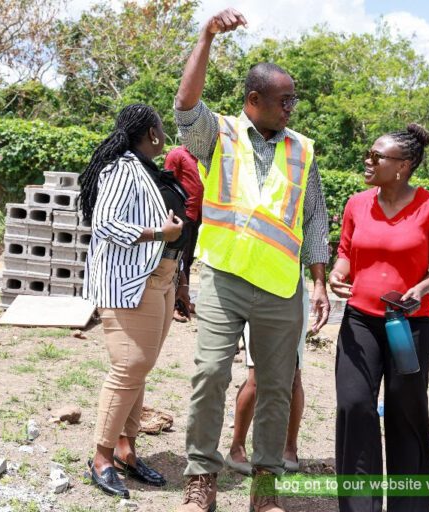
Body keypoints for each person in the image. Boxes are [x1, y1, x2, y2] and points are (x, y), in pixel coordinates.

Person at [173, 7, 331, 512]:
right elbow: (183, 106)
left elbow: (314, 217)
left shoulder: (303, 150)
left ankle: (265, 489)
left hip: (281, 286)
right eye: (284, 100)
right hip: (224, 278)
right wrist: (206, 38)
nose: (292, 108)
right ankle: (201, 478)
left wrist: (320, 282)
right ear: (253, 100)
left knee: (277, 387)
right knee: (211, 373)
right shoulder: (216, 134)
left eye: (294, 100)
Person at [329, 124, 429, 512]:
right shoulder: (356, 203)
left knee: (405, 415)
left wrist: (420, 289)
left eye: (376, 156)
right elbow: (347, 251)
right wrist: (338, 273)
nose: (368, 161)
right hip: (359, 322)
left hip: (410, 327)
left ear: (402, 166)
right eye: (369, 154)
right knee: (355, 407)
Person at [79, 104, 189, 498]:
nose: (164, 134)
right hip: (131, 281)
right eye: (160, 128)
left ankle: (127, 449)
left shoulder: (147, 169)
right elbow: (106, 223)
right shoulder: (122, 168)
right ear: (152, 133)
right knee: (129, 366)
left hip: (161, 278)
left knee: (141, 368)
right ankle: (101, 457)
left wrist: (180, 280)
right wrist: (157, 234)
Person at [226, 272, 309, 476]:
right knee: (256, 376)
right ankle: (237, 448)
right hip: (252, 286)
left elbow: (314, 245)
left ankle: (290, 448)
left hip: (291, 290)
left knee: (293, 375)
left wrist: (320, 283)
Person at [164, 145, 203, 322]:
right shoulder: (177, 154)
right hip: (182, 215)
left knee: (187, 259)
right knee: (176, 259)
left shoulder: (202, 158)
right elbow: (167, 183)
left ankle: (182, 301)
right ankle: (172, 304)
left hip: (198, 215)